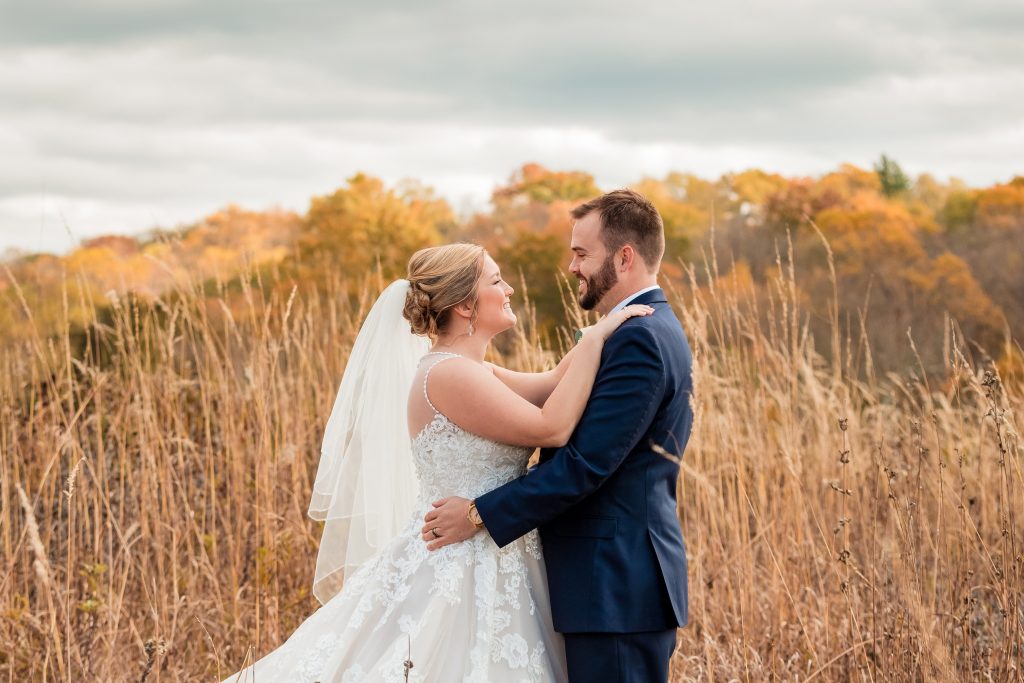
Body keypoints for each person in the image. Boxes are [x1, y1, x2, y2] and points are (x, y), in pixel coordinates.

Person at [222, 242, 652, 682]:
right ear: (466, 304)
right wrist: (598, 338)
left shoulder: (473, 371)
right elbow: (550, 428)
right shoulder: (449, 375)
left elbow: (553, 383)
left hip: (495, 546)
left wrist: (600, 329)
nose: (509, 290)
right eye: (496, 281)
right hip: (463, 560)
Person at [423, 190, 693, 683]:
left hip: (614, 590)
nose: (571, 267)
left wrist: (478, 514)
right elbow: (549, 387)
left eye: (582, 253)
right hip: (591, 589)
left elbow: (583, 466)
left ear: (624, 256)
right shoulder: (631, 331)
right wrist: (591, 340)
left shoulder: (640, 339)